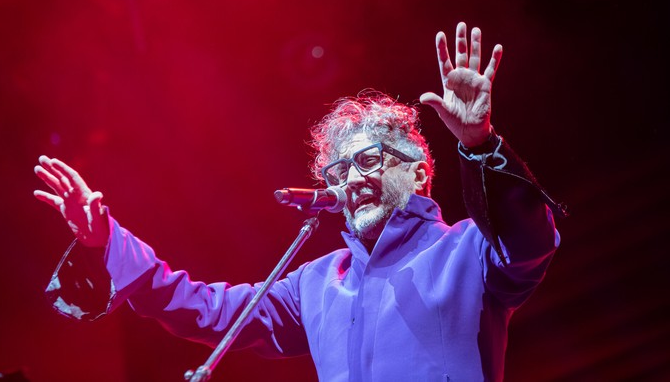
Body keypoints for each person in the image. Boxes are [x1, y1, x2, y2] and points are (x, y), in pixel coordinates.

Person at [34, 22, 567, 381]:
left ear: (420, 172)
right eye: (337, 170)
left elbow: (529, 241)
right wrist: (106, 243)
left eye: (368, 161)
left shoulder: (466, 253)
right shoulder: (316, 283)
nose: (350, 180)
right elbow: (210, 311)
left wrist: (479, 143)